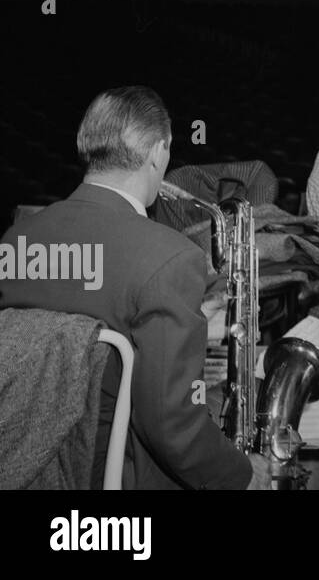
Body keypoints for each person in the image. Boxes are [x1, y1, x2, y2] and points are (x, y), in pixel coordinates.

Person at [0, 87, 268, 490]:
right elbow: (171, 422)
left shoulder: (15, 240)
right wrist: (241, 476)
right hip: (118, 474)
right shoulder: (170, 255)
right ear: (159, 152)